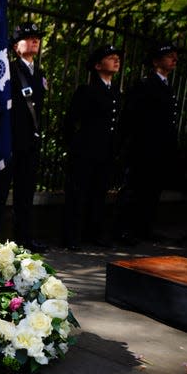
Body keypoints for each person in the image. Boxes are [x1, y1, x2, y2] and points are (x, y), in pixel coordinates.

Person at [0, 22, 47, 252]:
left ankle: (24, 238)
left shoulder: (39, 74)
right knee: (0, 194)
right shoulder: (7, 71)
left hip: (30, 143)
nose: (35, 41)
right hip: (9, 142)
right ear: (15, 46)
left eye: (37, 38)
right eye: (29, 37)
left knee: (26, 194)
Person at [116, 43, 179, 243]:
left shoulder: (166, 85)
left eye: (174, 56)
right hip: (142, 148)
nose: (174, 59)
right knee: (134, 189)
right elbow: (132, 116)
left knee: (152, 190)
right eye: (169, 56)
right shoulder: (145, 85)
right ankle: (124, 230)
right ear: (156, 61)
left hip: (159, 149)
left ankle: (144, 228)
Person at [62, 45, 123, 250]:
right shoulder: (87, 90)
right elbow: (70, 122)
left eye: (117, 58)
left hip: (105, 152)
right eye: (110, 58)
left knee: (99, 193)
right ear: (98, 65)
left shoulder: (115, 91)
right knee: (79, 194)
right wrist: (77, 147)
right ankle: (72, 236)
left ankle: (94, 233)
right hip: (86, 152)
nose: (116, 61)